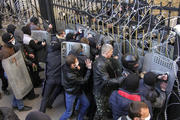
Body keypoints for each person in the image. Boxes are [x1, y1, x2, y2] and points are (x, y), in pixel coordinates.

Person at [0, 32, 32, 111]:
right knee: (17, 89)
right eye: (11, 39)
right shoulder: (5, 51)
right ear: (7, 41)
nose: (13, 40)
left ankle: (15, 104)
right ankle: (20, 107)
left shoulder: (9, 47)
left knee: (16, 89)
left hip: (13, 70)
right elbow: (7, 64)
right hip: (10, 72)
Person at [93, 44, 125, 120]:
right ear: (107, 52)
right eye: (111, 52)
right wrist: (122, 79)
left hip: (104, 89)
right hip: (100, 91)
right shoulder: (101, 64)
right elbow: (107, 81)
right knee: (101, 112)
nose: (112, 53)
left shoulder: (102, 59)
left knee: (103, 108)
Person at [60, 55, 92, 120]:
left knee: (86, 104)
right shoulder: (70, 76)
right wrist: (89, 69)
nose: (78, 62)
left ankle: (80, 118)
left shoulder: (66, 66)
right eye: (76, 61)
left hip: (77, 89)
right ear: (72, 65)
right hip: (71, 93)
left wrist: (77, 68)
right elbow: (83, 80)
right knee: (68, 112)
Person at [40, 39, 63, 113]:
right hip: (59, 79)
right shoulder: (62, 57)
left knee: (45, 97)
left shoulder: (49, 55)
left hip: (50, 79)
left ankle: (41, 112)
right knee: (57, 91)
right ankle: (49, 103)